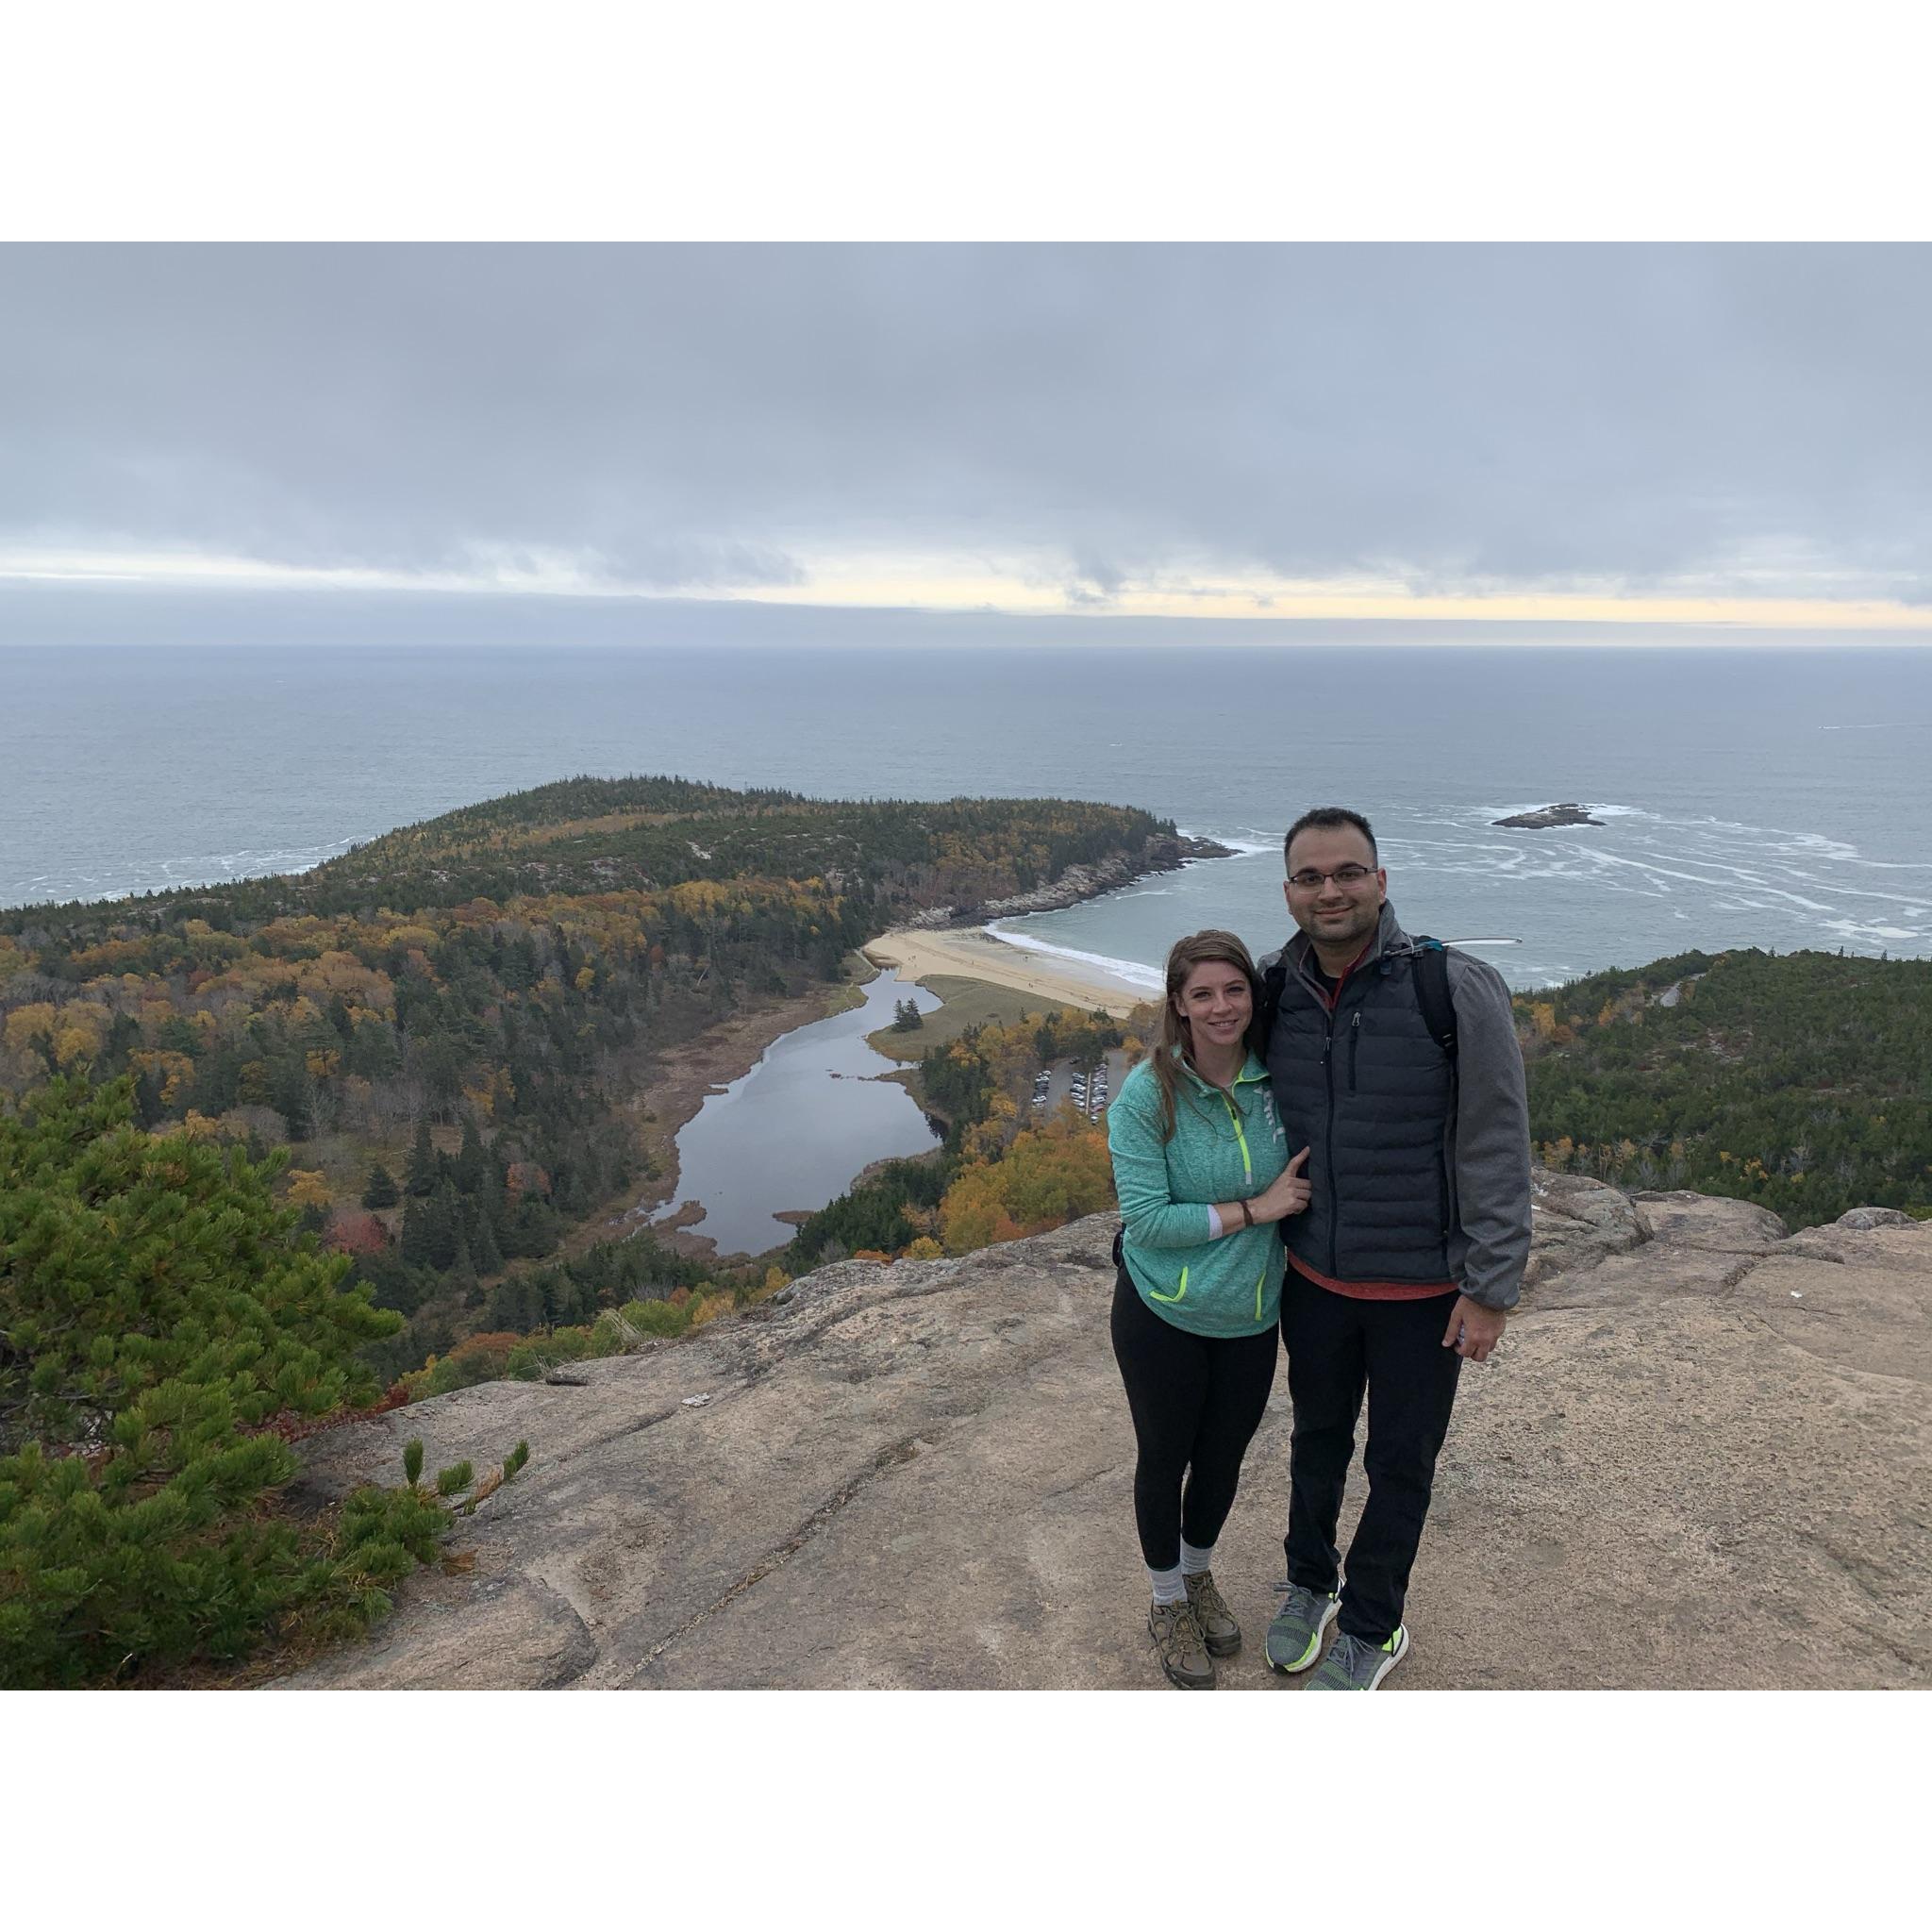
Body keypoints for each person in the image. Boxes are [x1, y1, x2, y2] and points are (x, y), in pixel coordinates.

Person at [1259, 807, 1530, 1690]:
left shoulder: (1453, 986)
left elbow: (1496, 1139)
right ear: (1290, 892)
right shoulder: (1272, 988)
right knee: (1316, 1440)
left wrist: (1490, 1286)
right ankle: (1310, 1581)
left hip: (1422, 1290)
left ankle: (1374, 1623)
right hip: (1313, 1276)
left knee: (1400, 1463)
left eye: (1347, 872)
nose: (1329, 889)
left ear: (1381, 881)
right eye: (1310, 876)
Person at [1107, 930, 1311, 1689]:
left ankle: (1197, 1576)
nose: (1221, 1007)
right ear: (1179, 1007)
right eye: (1203, 994)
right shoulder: (1146, 1095)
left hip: (1252, 1317)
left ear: (1252, 999)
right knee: (1165, 1460)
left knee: (1222, 1461)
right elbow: (1148, 1221)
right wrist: (1257, 1210)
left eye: (1234, 990)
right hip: (1163, 1312)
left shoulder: (1278, 1082)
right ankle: (1165, 1600)